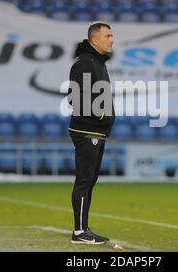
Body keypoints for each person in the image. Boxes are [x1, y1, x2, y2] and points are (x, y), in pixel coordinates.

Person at [67, 22, 115, 245]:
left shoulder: (96, 62)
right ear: (95, 40)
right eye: (108, 35)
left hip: (94, 130)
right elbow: (74, 97)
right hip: (87, 130)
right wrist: (102, 116)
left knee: (89, 180)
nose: (112, 39)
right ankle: (79, 232)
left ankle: (82, 228)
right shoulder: (86, 63)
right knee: (85, 179)